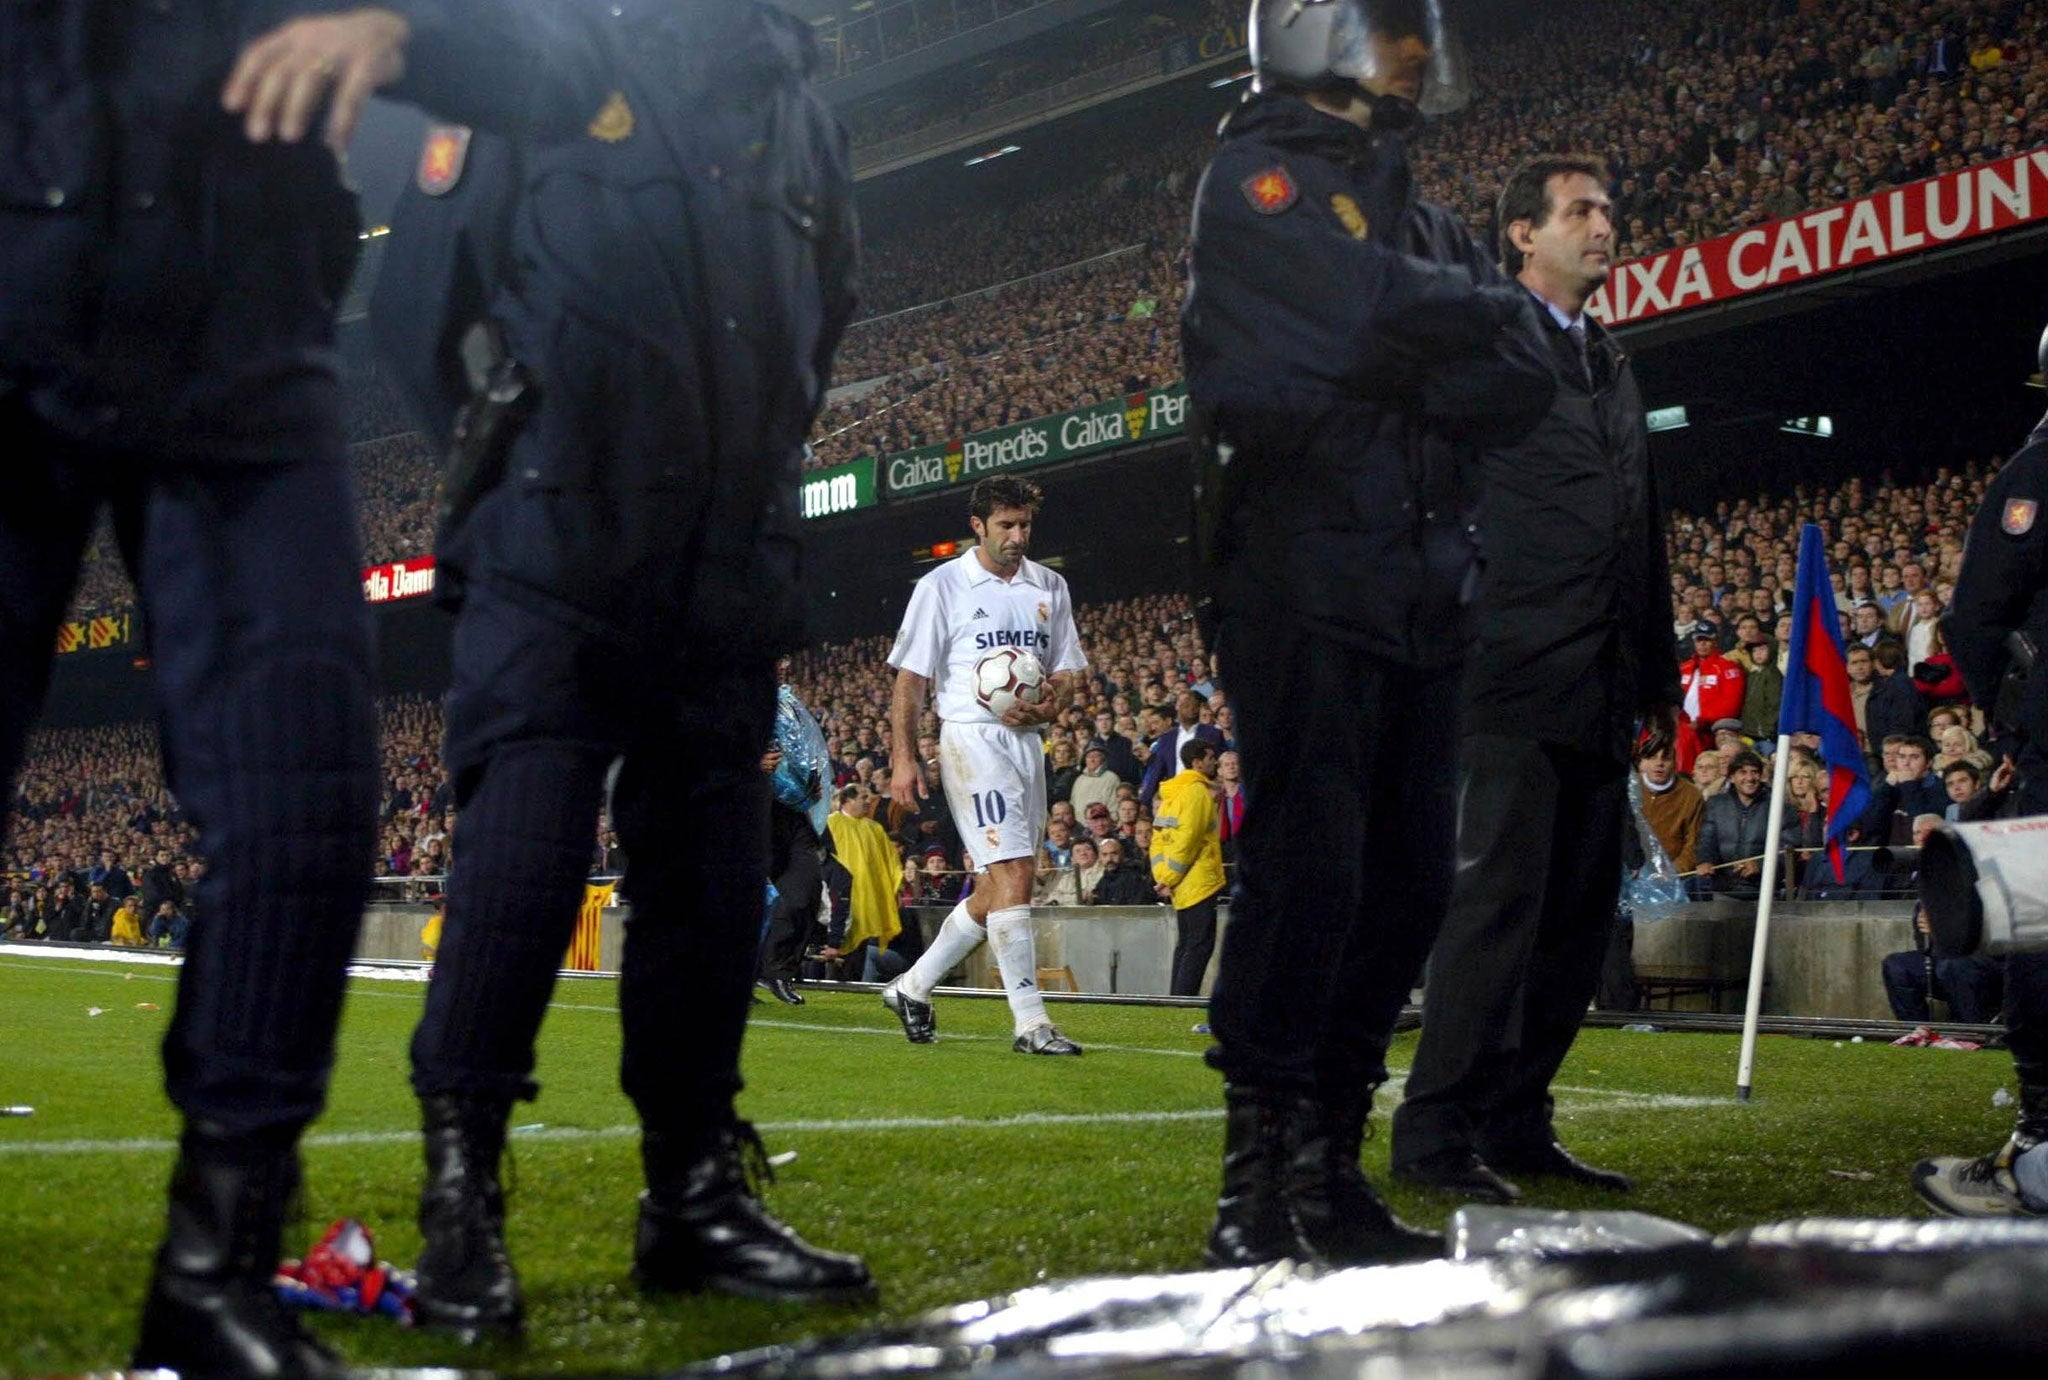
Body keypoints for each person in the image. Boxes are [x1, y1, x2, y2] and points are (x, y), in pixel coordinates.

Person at [364, 0, 871, 1334]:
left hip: (722, 563)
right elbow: (421, 308)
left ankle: (691, 1192)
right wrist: (526, 465)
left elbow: (825, 318)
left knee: (709, 884)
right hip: (555, 552)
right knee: (523, 856)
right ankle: (461, 1190)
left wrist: (734, 466)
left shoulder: (799, 114)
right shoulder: (531, 66)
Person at [0, 5, 389, 1372]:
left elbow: (559, 55)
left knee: (312, 791)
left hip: (240, 305)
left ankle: (214, 1268)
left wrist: (415, 24)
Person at [1182, 0, 1553, 1267]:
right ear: (1311, 33)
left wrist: (1407, 322)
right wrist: (1430, 320)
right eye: (1387, 28)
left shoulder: (1423, 215)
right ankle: (1253, 1189)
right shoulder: (1253, 173)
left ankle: (1328, 1166)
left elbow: (1521, 374)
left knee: (1400, 890)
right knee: (1307, 877)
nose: (1410, 52)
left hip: (1421, 588)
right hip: (1297, 581)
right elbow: (1352, 321)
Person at [1392, 154, 1674, 1204]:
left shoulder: (1612, 361)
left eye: (1608, 208)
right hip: (1503, 672)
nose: (1604, 226)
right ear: (1520, 233)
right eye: (1581, 212)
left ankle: (1516, 1122)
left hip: (1599, 679)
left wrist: (1653, 670)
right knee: (1493, 914)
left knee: (1573, 923)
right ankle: (1431, 1136)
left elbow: (1636, 519)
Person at [1912, 324, 2048, 1219]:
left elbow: (1980, 610)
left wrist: (2008, 714)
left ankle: (2037, 1151)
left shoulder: (2039, 467)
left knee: (2044, 931)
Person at [881, 476, 1090, 1055]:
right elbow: (912, 679)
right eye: (1006, 526)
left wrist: (1057, 697)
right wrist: (903, 756)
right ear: (978, 525)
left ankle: (912, 987)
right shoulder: (942, 585)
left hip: (1028, 743)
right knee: (1015, 872)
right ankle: (1031, 1023)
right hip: (971, 741)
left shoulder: (1049, 586)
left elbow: (1070, 668)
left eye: (1025, 525)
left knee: (998, 887)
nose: (1018, 536)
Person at [1152, 740, 1228, 997]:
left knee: (1186, 944)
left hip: (1179, 884)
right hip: (1198, 882)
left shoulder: (1172, 794)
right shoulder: (1197, 793)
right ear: (1197, 762)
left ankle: (1176, 1001)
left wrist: (1163, 876)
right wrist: (1170, 878)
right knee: (1198, 945)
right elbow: (1189, 841)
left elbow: (1158, 839)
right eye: (1210, 757)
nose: (1214, 761)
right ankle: (1183, 1002)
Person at [1696, 750, 1773, 896]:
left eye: (1754, 772)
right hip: (1723, 889)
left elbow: (1787, 848)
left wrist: (1760, 866)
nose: (1749, 778)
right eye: (1742, 772)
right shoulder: (1716, 804)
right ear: (1731, 777)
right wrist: (1705, 860)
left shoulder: (1777, 806)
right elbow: (1706, 839)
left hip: (1763, 891)